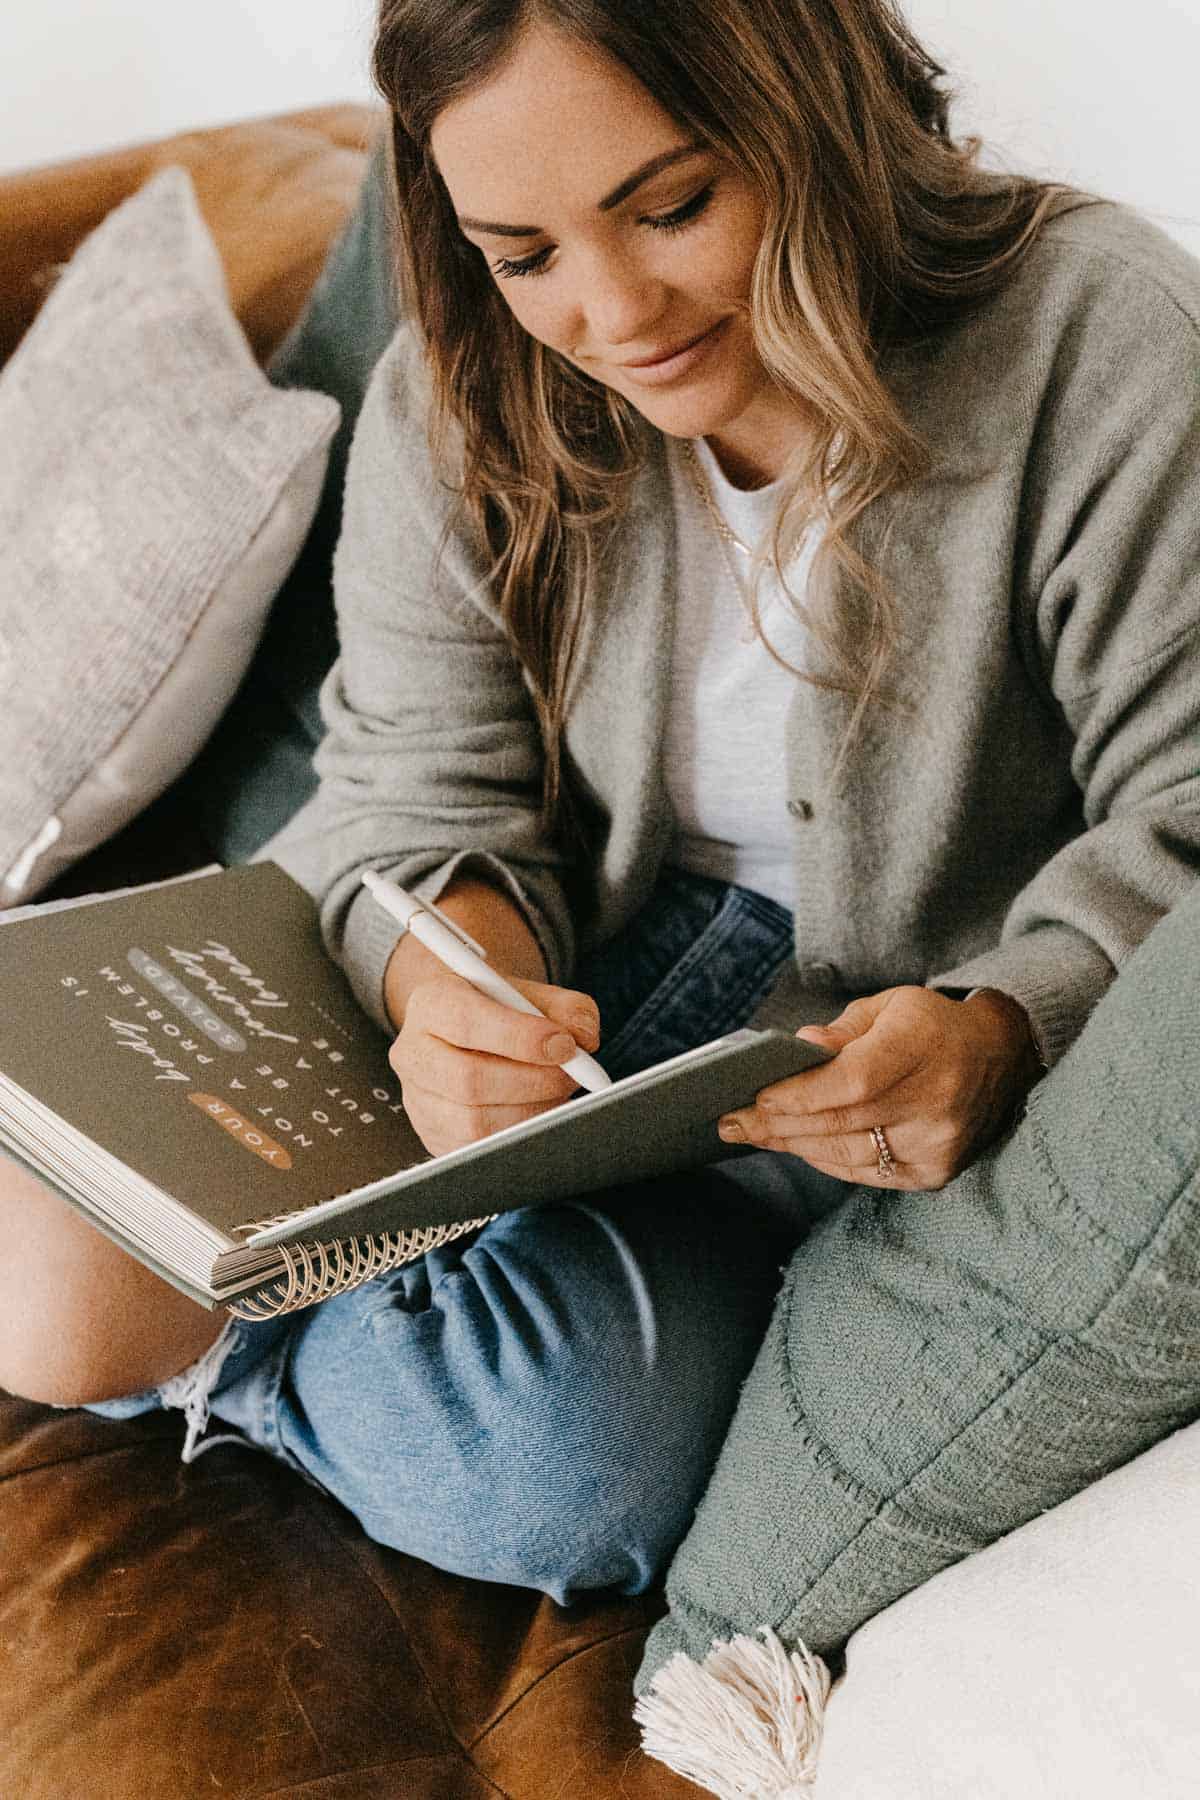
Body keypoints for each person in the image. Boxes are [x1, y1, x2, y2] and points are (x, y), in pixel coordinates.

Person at [1, 0, 1198, 1638]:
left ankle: (227, 1337)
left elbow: (1187, 808)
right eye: (522, 249)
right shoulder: (468, 378)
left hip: (821, 1066)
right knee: (54, 1266)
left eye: (674, 206)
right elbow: (412, 785)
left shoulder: (1099, 337)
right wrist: (457, 970)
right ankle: (260, 1308)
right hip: (543, 984)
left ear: (815, 107)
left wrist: (1011, 1027)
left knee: (565, 1461)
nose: (613, 312)